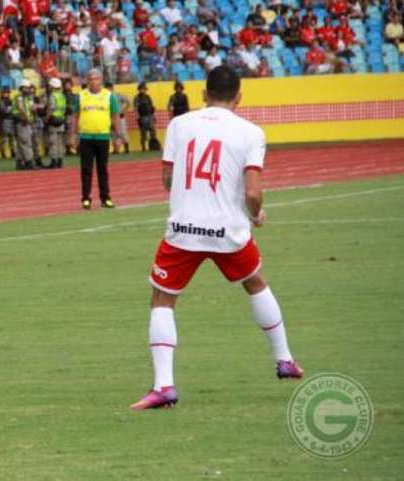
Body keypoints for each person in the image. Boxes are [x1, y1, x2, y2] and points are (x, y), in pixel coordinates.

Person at [130, 66, 304, 410]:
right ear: (239, 97)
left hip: (184, 230)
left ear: (203, 94)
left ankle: (164, 385)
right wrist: (255, 215)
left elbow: (166, 178)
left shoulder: (180, 125)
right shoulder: (251, 132)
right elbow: (253, 192)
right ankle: (284, 359)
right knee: (256, 283)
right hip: (229, 230)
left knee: (162, 300)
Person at [75, 69, 120, 209]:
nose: (93, 82)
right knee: (86, 169)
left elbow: (115, 117)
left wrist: (117, 137)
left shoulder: (109, 96)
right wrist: (73, 135)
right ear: (87, 81)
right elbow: (74, 117)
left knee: (103, 169)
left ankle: (105, 198)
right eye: (91, 79)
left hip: (103, 137)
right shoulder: (81, 96)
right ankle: (86, 198)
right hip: (85, 137)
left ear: (101, 80)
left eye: (96, 79)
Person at [12, 79, 35, 170]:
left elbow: (32, 108)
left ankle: (20, 162)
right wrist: (25, 117)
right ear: (21, 88)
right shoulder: (19, 97)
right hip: (22, 122)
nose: (28, 90)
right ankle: (29, 162)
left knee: (22, 143)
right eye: (26, 88)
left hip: (27, 122)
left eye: (29, 88)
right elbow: (20, 107)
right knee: (25, 143)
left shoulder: (28, 98)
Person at [45, 78, 67, 169]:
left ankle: (54, 161)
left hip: (53, 121)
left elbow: (51, 108)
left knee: (53, 142)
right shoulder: (62, 95)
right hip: (61, 120)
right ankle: (60, 161)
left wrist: (47, 118)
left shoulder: (52, 95)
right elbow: (64, 108)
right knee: (60, 142)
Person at [133, 82, 159, 151]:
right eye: (141, 89)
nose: (143, 90)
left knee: (153, 131)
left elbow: (152, 107)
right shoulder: (137, 98)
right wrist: (137, 117)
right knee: (143, 133)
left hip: (149, 115)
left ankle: (153, 146)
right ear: (139, 89)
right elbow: (135, 108)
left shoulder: (148, 97)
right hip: (142, 116)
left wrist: (154, 115)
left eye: (144, 89)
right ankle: (143, 148)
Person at [106, 82, 130, 155]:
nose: (108, 90)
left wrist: (124, 110)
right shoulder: (104, 97)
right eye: (106, 88)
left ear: (112, 88)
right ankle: (115, 150)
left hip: (120, 117)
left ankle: (126, 148)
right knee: (113, 134)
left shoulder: (118, 95)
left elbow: (128, 101)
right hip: (110, 117)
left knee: (122, 133)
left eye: (109, 88)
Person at [0, 86, 16, 160]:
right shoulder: (0, 102)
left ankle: (13, 152)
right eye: (4, 93)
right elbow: (3, 111)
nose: (6, 94)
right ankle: (3, 152)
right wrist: (10, 110)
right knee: (4, 138)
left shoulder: (11, 101)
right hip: (4, 120)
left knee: (12, 138)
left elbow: (14, 111)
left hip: (11, 120)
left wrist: (10, 110)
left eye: (7, 93)